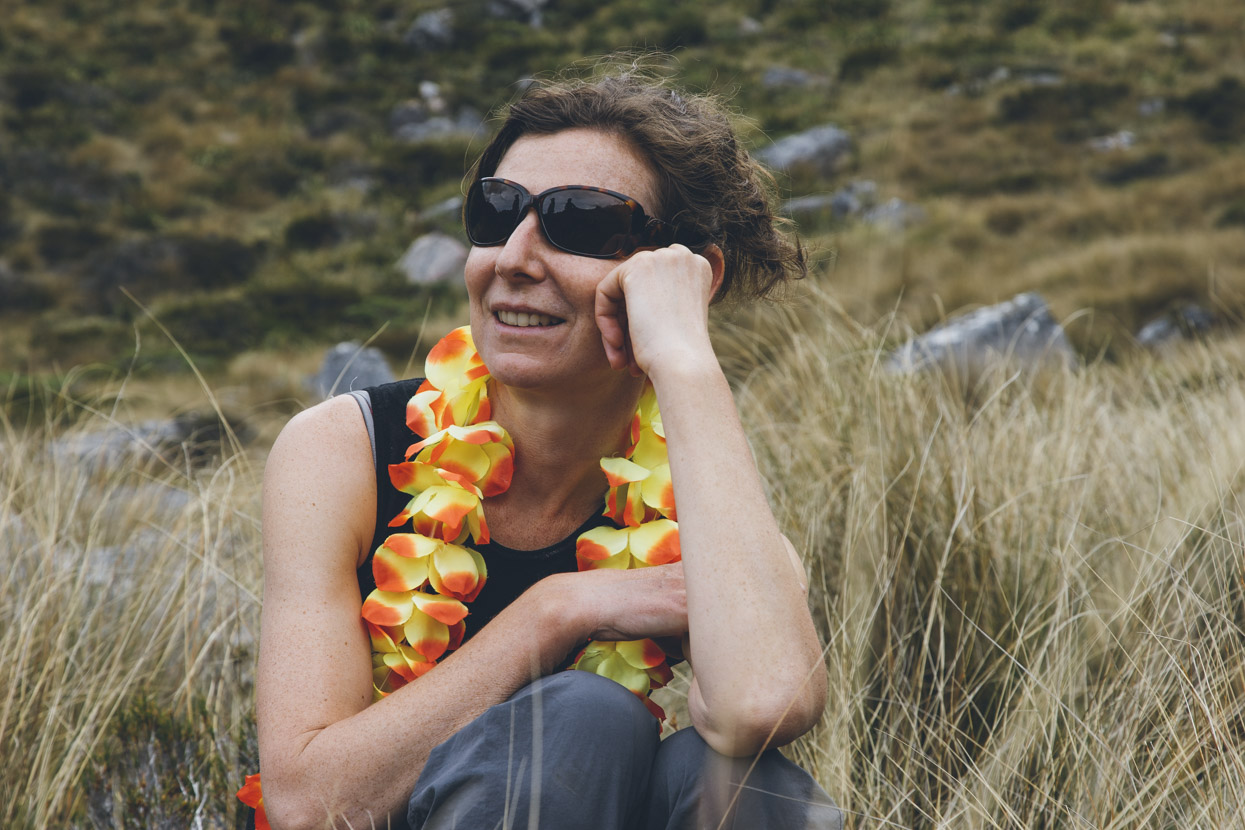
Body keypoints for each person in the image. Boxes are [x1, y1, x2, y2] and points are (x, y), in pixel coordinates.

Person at [252, 66, 843, 830]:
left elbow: (762, 707)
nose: (514, 257)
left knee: (726, 777)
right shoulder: (339, 452)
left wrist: (686, 361)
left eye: (583, 224)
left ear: (683, 276)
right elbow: (306, 801)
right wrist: (557, 610)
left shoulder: (699, 489)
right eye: (495, 214)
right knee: (580, 717)